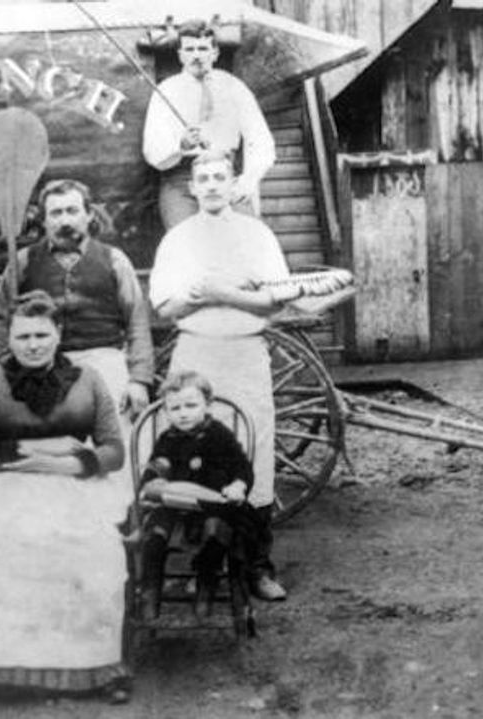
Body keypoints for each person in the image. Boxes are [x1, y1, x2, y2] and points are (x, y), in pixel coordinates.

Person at [0, 291, 131, 717]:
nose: (33, 345)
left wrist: (71, 463)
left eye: (41, 334)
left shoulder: (88, 379)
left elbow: (113, 450)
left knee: (89, 546)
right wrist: (40, 451)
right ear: (9, 338)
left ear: (58, 335)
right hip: (2, 483)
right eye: (23, 336)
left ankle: (94, 666)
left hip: (72, 484)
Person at [148, 150, 294, 602]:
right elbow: (167, 307)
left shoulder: (257, 235)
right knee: (193, 451)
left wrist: (218, 291)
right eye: (203, 178)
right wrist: (204, 296)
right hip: (196, 354)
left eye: (219, 177)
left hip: (245, 353)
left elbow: (275, 301)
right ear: (191, 187)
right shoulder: (177, 240)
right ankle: (199, 564)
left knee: (254, 450)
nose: (211, 185)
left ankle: (257, 567)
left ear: (233, 185)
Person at [0, 178, 153, 498]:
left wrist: (140, 379)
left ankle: (120, 519)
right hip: (43, 366)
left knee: (116, 445)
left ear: (89, 215)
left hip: (104, 360)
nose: (64, 220)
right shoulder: (23, 261)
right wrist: (11, 366)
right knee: (51, 454)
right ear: (43, 219)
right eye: (56, 212)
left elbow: (137, 322)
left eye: (73, 211)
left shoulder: (114, 260)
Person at [137, 370, 256, 621]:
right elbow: (156, 467)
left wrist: (238, 485)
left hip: (212, 507)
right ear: (166, 411)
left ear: (207, 404)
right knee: (154, 535)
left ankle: (206, 584)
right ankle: (150, 591)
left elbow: (241, 466)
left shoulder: (218, 434)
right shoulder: (167, 438)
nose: (183, 413)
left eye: (191, 405)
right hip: (174, 507)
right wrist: (152, 483)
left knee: (216, 533)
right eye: (175, 408)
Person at [141, 19, 275, 230]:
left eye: (203, 48)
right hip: (182, 180)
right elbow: (151, 149)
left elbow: (260, 139)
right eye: (190, 49)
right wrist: (181, 144)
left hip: (226, 175)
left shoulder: (233, 87)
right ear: (180, 55)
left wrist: (248, 180)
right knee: (186, 244)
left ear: (215, 53)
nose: (196, 55)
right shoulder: (166, 91)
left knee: (246, 238)